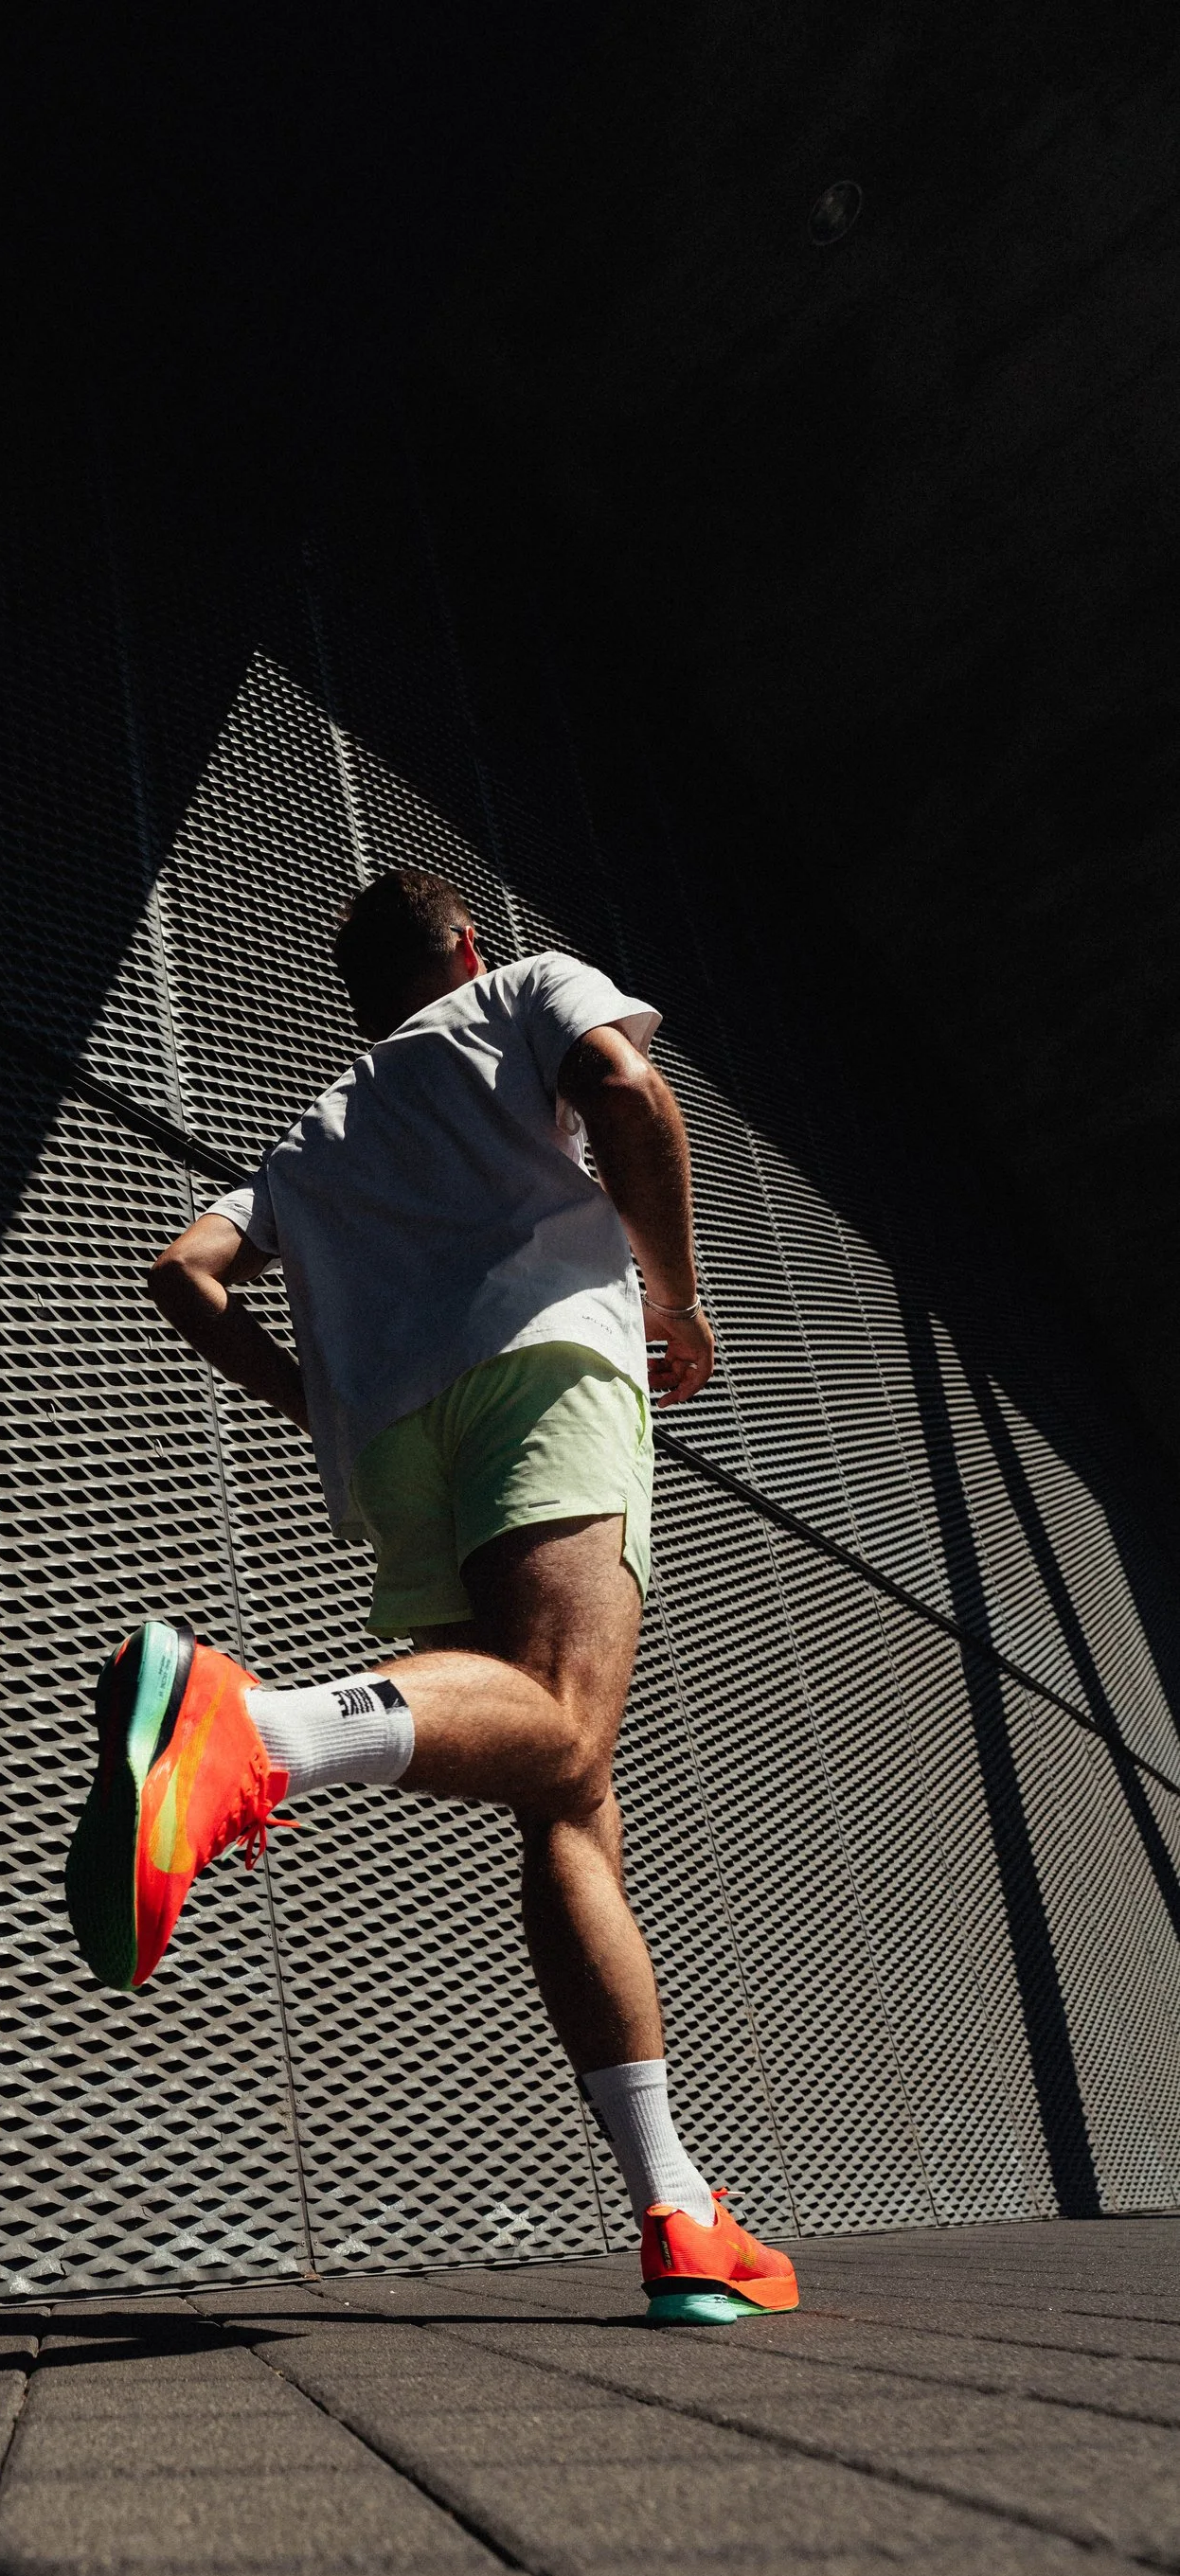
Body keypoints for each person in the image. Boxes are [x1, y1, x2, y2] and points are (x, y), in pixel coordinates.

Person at [64, 866, 796, 2328]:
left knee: (565, 1794)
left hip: (396, 1443)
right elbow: (628, 1091)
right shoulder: (522, 988)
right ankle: (250, 1733)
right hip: (541, 1369)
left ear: (361, 998)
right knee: (568, 1720)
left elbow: (186, 1270)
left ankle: (676, 2211)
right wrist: (673, 1297)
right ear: (465, 947)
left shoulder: (320, 1125)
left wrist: (318, 1403)